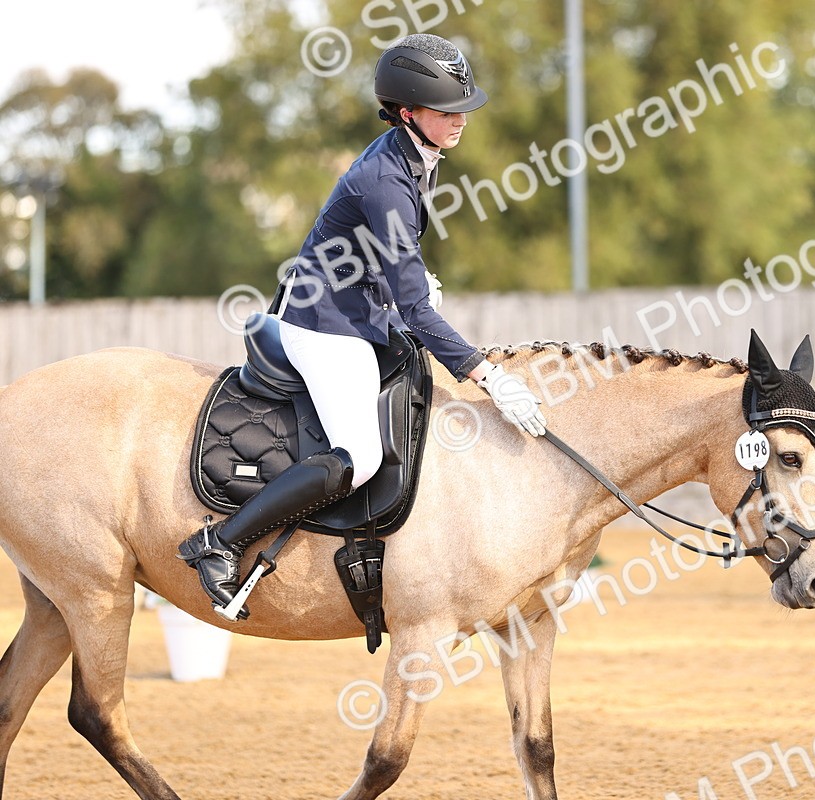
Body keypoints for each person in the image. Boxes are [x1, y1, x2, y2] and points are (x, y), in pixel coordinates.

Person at [178, 34, 546, 616]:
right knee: (361, 456)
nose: (460, 121)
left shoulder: (411, 155)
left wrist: (413, 278)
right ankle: (218, 543)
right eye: (447, 111)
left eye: (463, 108)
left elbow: (379, 257)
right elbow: (416, 311)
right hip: (325, 325)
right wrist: (489, 375)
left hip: (356, 309)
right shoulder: (386, 178)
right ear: (409, 113)